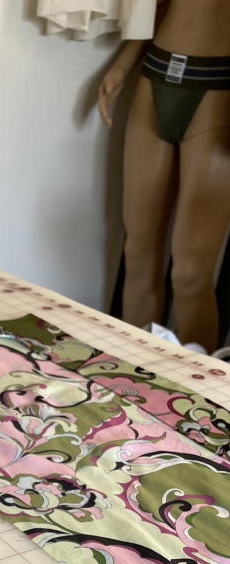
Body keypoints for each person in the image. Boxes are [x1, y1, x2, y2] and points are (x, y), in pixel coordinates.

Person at [98, 0, 230, 354]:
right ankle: (129, 377)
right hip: (155, 74)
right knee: (138, 252)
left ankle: (195, 398)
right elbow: (153, 6)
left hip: (219, 87)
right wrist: (123, 63)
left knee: (190, 274)